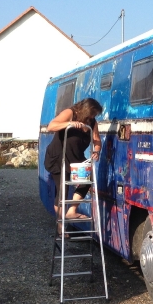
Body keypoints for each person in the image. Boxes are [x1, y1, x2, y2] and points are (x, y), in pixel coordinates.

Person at [44, 97, 103, 227]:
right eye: (92, 113)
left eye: (95, 114)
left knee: (88, 178)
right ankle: (60, 226)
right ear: (86, 110)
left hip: (76, 157)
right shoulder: (70, 113)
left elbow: (97, 139)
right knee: (62, 191)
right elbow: (51, 126)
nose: (93, 116)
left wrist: (96, 150)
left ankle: (72, 211)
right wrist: (69, 124)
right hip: (59, 157)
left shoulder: (92, 122)